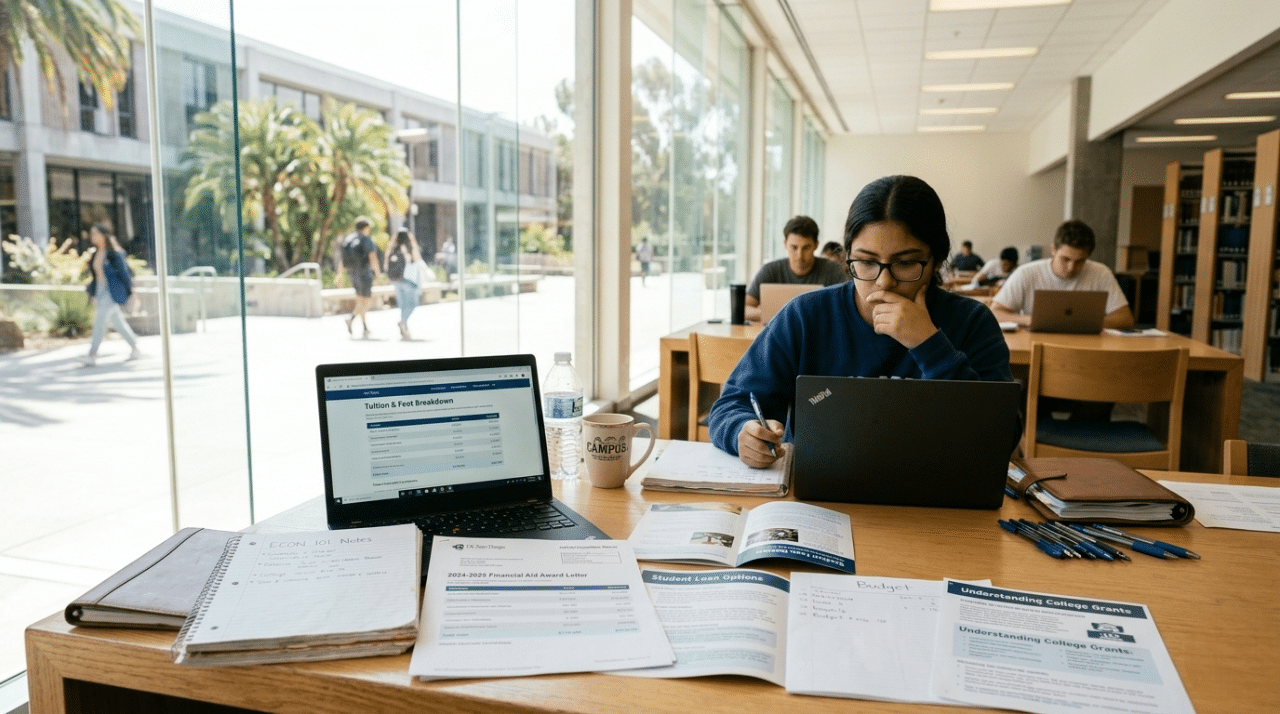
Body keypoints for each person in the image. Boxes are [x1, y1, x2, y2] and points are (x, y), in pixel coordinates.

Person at [709, 175, 1015, 467]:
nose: (884, 282)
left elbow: (1001, 438)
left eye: (906, 263)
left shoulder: (971, 322)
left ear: (936, 259)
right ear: (847, 257)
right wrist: (742, 432)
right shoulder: (805, 316)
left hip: (938, 496)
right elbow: (732, 405)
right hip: (817, 493)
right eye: (866, 262)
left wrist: (929, 345)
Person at [990, 219, 1135, 330]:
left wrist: (1083, 324)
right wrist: (1030, 320)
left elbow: (1125, 318)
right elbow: (994, 313)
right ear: (1053, 250)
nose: (1071, 268)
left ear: (1088, 256)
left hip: (1088, 348)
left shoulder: (1101, 273)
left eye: (1080, 261)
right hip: (1037, 345)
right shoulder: (1026, 273)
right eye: (1065, 259)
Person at [743, 216, 847, 322]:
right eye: (794, 247)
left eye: (806, 248)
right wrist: (776, 315)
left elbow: (846, 307)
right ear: (785, 244)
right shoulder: (770, 270)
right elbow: (744, 308)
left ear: (816, 245)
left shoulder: (833, 270)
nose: (799, 255)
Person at [83, 223, 141, 366]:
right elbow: (95, 277)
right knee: (117, 321)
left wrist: (131, 292)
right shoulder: (95, 253)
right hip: (100, 291)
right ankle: (135, 347)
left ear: (104, 235)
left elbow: (124, 273)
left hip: (111, 291)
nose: (92, 236)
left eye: (95, 233)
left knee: (99, 322)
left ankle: (92, 355)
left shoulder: (114, 253)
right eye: (91, 233)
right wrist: (93, 293)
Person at [339, 218, 381, 338]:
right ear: (366, 228)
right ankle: (351, 319)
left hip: (352, 273)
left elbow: (343, 259)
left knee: (360, 300)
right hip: (364, 273)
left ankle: (364, 326)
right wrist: (378, 274)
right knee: (366, 301)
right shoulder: (366, 239)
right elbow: (372, 257)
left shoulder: (348, 239)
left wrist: (340, 274)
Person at [385, 228, 424, 340]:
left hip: (396, 280)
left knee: (403, 306)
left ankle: (405, 328)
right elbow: (417, 261)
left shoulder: (393, 248)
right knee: (413, 304)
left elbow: (387, 265)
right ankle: (403, 321)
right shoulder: (409, 247)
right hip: (408, 280)